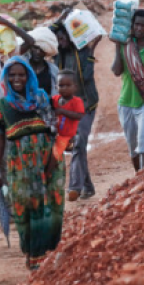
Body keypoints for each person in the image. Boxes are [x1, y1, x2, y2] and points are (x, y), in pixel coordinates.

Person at [0, 56, 64, 270]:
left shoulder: (42, 99)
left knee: (51, 205)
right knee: (25, 206)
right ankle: (33, 254)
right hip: (19, 164)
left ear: (29, 76)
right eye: (11, 75)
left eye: (21, 74)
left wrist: (53, 158)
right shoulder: (1, 106)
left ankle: (47, 254)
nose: (16, 78)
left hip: (48, 159)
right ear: (5, 78)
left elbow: (56, 130)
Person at [111, 9, 144, 173]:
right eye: (136, 24)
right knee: (133, 148)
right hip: (126, 103)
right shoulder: (126, 46)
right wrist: (117, 46)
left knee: (143, 145)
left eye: (143, 25)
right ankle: (139, 177)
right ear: (132, 25)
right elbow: (116, 71)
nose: (139, 28)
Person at [50, 23, 99, 201]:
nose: (59, 41)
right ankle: (87, 186)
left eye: (63, 38)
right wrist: (61, 20)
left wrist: (91, 53)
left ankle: (74, 187)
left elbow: (85, 78)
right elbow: (47, 34)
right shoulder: (57, 55)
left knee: (78, 142)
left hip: (85, 105)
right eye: (57, 38)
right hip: (67, 108)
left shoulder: (83, 53)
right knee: (77, 145)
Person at [52, 70, 85, 201]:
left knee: (72, 156)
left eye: (68, 85)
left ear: (75, 87)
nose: (64, 88)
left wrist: (62, 111)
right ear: (56, 87)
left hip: (71, 135)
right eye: (61, 85)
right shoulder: (54, 100)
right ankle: (57, 187)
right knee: (55, 159)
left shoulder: (76, 101)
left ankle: (73, 188)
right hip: (58, 136)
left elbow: (80, 115)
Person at [25, 28, 60, 96]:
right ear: (30, 48)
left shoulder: (53, 70)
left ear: (46, 51)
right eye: (35, 48)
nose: (38, 52)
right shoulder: (22, 67)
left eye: (42, 49)